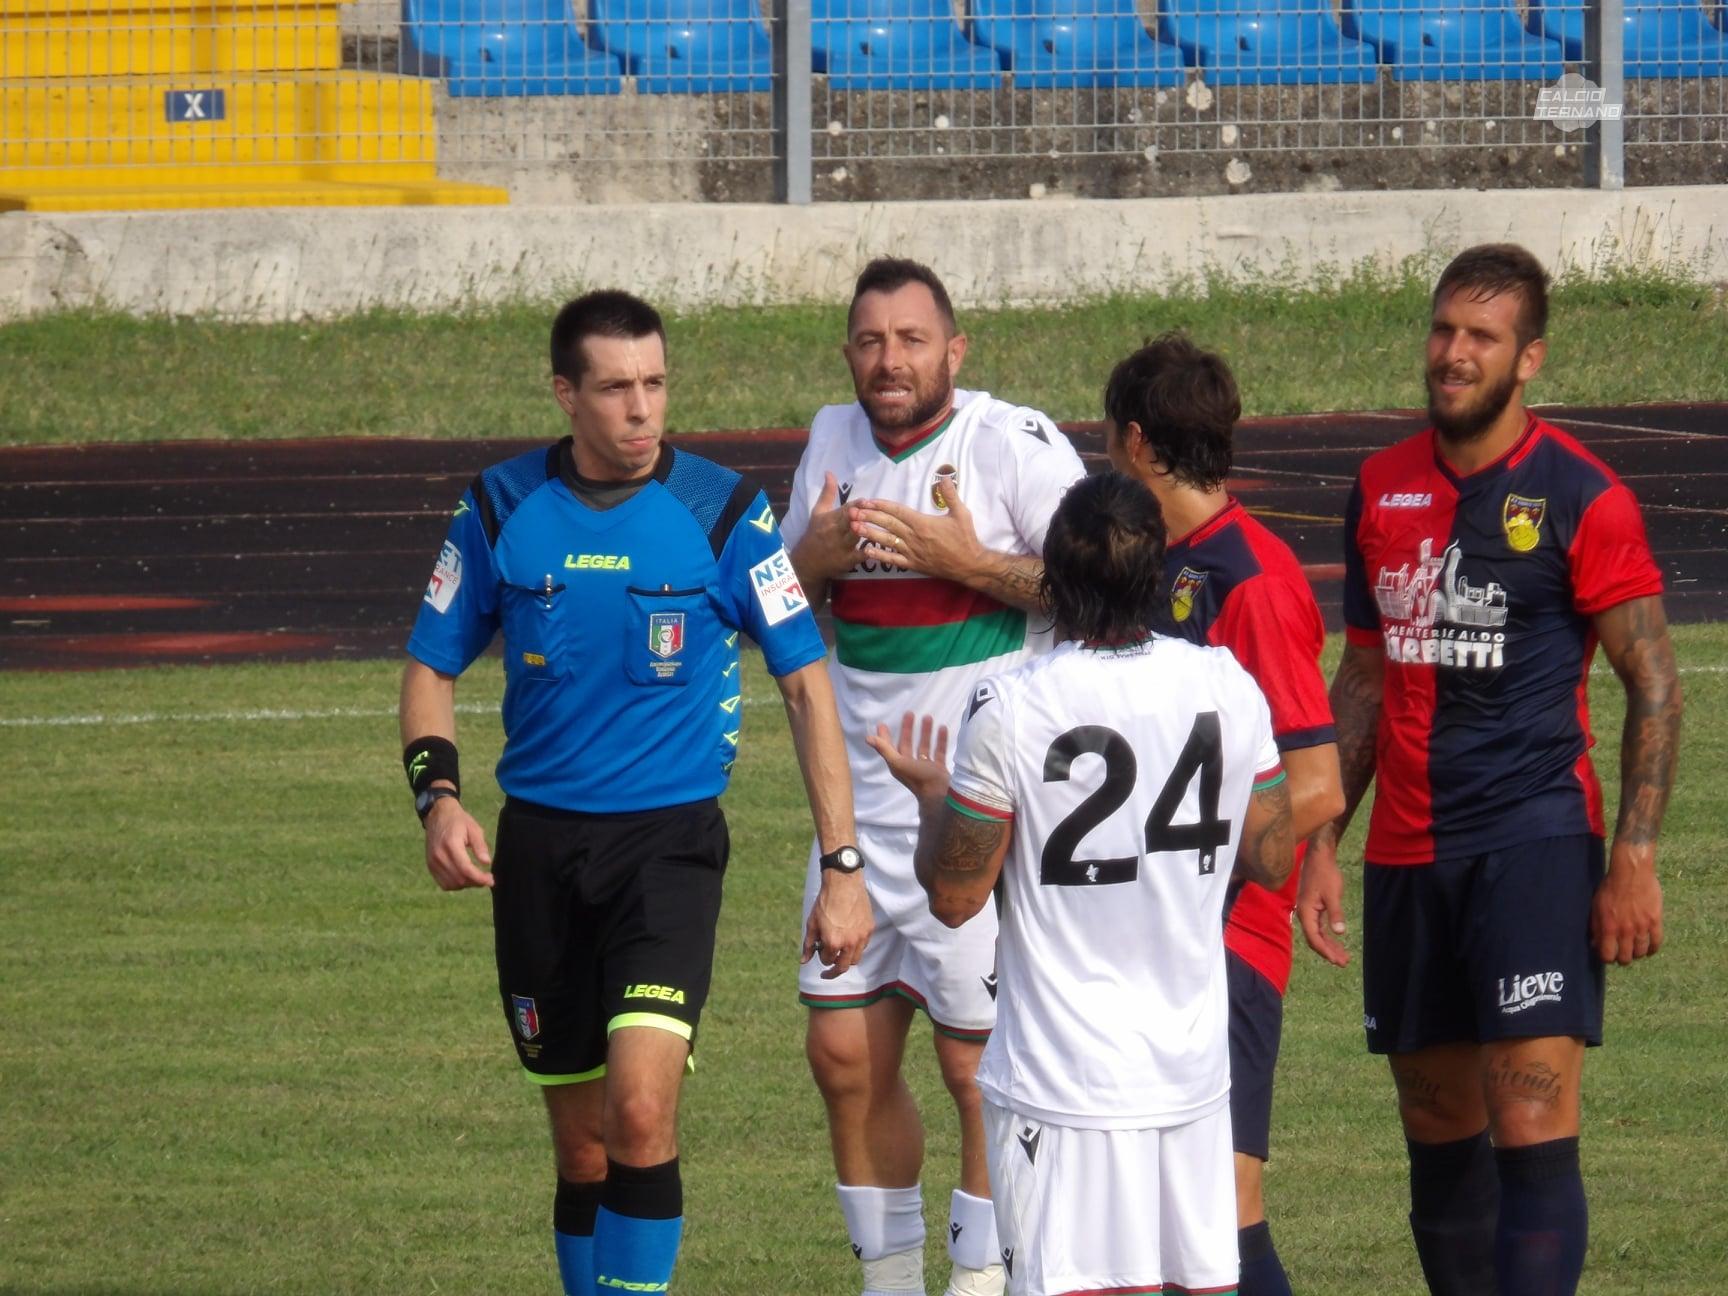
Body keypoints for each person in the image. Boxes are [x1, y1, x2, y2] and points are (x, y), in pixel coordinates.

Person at [397, 290, 872, 1296]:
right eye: (616, 388)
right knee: (582, 1150)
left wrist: (842, 865)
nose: (643, 408)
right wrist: (437, 799)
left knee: (641, 1115)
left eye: (656, 383)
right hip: (538, 855)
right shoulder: (500, 507)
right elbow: (432, 665)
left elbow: (805, 684)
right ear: (565, 394)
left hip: (667, 852)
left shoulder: (724, 512)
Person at [1298, 243, 1682, 1296]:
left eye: (1482, 336)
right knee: (1438, 1131)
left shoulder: (1582, 496)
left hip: (1533, 845)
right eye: (1443, 329)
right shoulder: (1379, 486)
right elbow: (1363, 680)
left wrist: (1635, 857)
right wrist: (1324, 839)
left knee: (1530, 1119)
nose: (1454, 354)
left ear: (1530, 359)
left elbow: (1654, 683)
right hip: (1407, 857)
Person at [870, 470, 1297, 1296]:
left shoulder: (1011, 705)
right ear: (1158, 572)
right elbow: (1274, 855)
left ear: (1056, 581)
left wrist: (931, 802)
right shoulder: (1225, 684)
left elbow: (955, 898)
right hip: (1189, 1077)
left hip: (1061, 1084)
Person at [780, 257, 1087, 1296]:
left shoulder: (1010, 442)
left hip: (975, 816)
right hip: (857, 817)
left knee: (975, 1066)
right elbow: (774, 612)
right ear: (848, 354)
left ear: (954, 350)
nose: (890, 360)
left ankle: (982, 1276)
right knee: (843, 1057)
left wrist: (969, 563)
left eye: (912, 340)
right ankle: (889, 1280)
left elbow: (1097, 584)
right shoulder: (830, 440)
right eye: (871, 341)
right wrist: (813, 559)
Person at [1102, 332, 1343, 1296]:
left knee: (1223, 1212)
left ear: (1134, 442)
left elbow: (1315, 782)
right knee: (1156, 1222)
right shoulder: (1154, 561)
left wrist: (1194, 869)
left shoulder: (1253, 582)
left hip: (1227, 940)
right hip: (1155, 938)